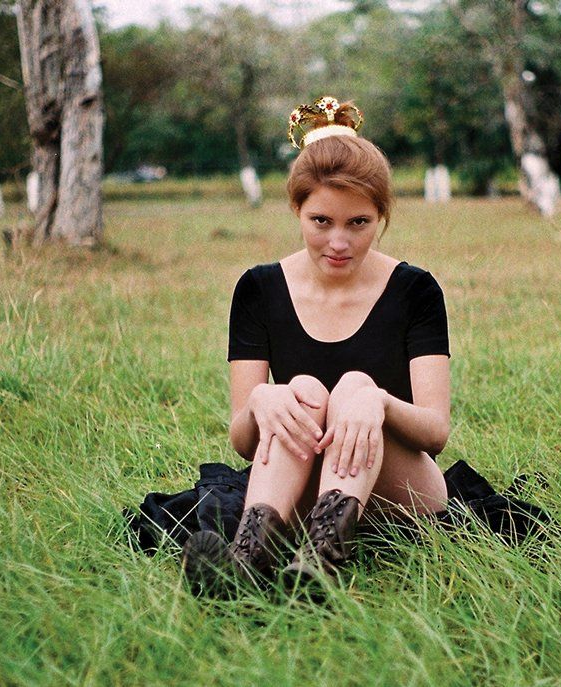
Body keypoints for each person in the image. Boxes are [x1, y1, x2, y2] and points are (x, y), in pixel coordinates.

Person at [182, 96, 451, 594]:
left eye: (358, 223)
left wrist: (377, 402)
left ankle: (321, 560)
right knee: (301, 389)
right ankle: (247, 560)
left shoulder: (415, 289)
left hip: (401, 491)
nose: (339, 243)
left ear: (381, 215)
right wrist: (261, 400)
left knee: (354, 386)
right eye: (321, 221)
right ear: (297, 210)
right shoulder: (259, 288)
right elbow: (243, 440)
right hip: (297, 487)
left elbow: (436, 433)